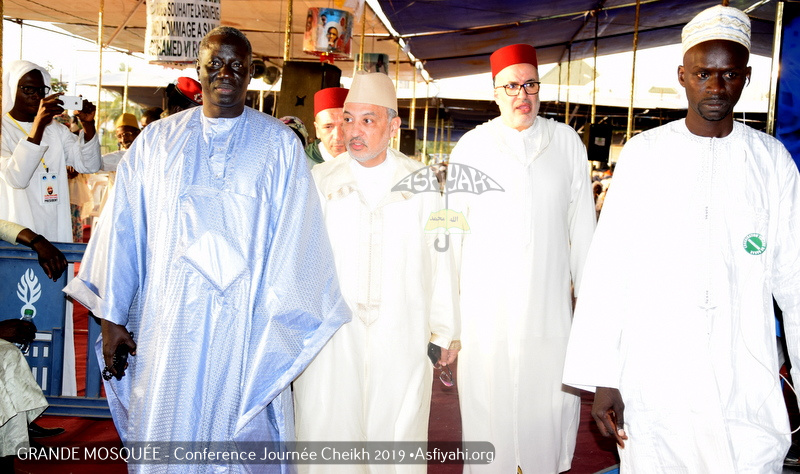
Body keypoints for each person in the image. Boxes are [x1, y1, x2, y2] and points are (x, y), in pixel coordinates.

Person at [63, 26, 350, 467]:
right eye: (214, 63)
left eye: (237, 65)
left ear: (251, 73)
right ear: (198, 69)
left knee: (238, 439)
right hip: (167, 324)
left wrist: (278, 334)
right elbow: (123, 230)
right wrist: (111, 317)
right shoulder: (157, 143)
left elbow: (298, 243)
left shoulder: (279, 147)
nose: (225, 74)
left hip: (243, 329)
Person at [562, 4, 800, 472]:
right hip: (658, 370)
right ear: (682, 76)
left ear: (747, 77)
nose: (716, 87)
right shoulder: (646, 156)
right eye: (703, 74)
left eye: (729, 74)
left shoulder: (770, 162)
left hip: (742, 370)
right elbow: (611, 270)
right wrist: (605, 378)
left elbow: (794, 281)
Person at [293, 72, 458, 472]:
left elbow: (443, 259)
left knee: (397, 435)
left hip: (401, 332)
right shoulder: (318, 181)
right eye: (348, 119)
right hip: (332, 335)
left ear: (394, 126)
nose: (353, 130)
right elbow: (297, 259)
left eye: (368, 120)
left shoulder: (423, 184)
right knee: (327, 431)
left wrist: (446, 332)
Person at [448, 43, 596, 473]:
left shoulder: (566, 143)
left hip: (549, 311)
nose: (522, 95)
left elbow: (583, 231)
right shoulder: (472, 147)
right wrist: (448, 322)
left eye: (530, 84)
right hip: (485, 312)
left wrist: (590, 310)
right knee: (487, 411)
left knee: (546, 414)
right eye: (511, 85)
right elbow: (451, 236)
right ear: (495, 92)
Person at [1, 60, 102, 243]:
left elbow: (89, 165)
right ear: (11, 88)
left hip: (55, 224)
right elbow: (17, 179)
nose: (37, 96)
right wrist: (38, 126)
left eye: (41, 90)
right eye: (29, 89)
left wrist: (88, 125)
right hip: (20, 229)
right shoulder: (3, 129)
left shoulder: (55, 129)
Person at [305, 87, 348, 168]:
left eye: (344, 125)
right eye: (328, 127)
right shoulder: (300, 165)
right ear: (317, 129)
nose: (337, 137)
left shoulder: (367, 162)